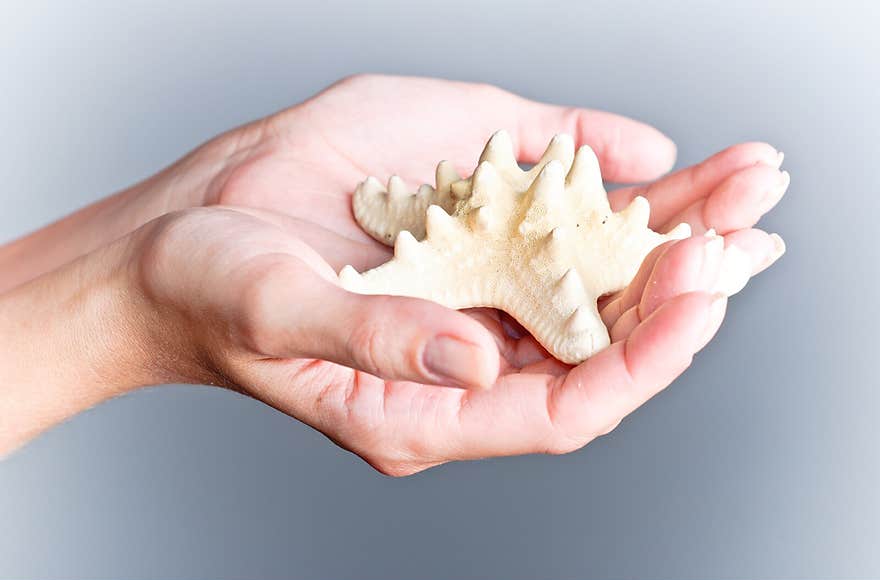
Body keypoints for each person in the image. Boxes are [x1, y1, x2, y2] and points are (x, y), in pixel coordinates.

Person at [0, 74, 788, 475]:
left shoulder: (540, 234)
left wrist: (208, 187)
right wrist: (136, 300)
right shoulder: (473, 227)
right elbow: (418, 238)